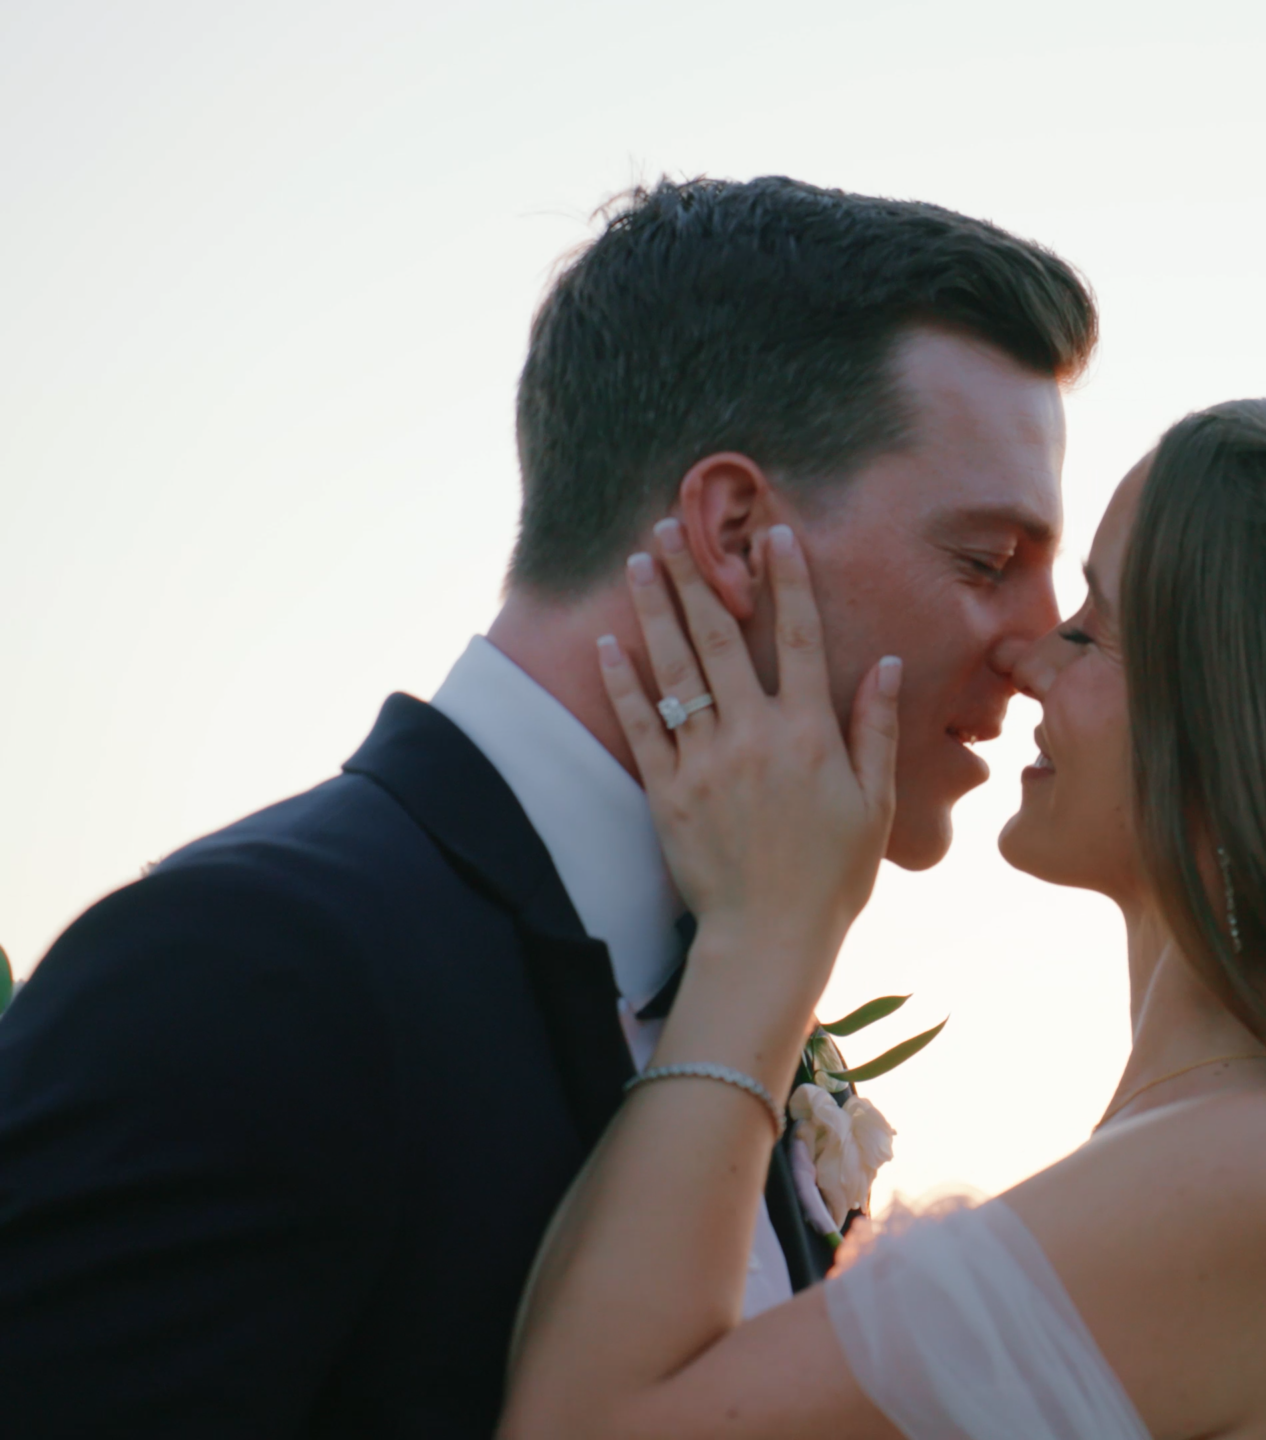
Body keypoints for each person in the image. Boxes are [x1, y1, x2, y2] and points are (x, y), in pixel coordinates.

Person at [0, 176, 1096, 1437]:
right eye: (985, 561)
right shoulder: (246, 966)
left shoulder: (735, 977)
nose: (1037, 641)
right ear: (735, 534)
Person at [502, 388, 1266, 1438]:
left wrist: (765, 945)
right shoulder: (1251, 1150)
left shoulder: (1259, 1178)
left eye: (1095, 628)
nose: (1030, 661)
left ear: (1235, 736)